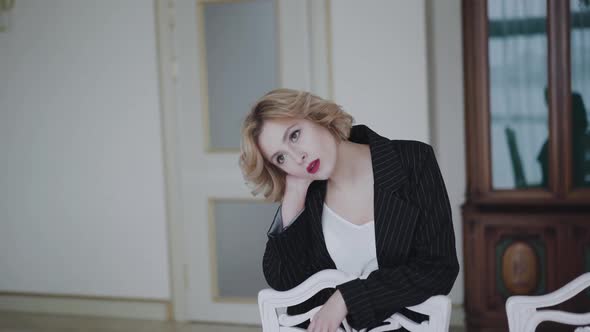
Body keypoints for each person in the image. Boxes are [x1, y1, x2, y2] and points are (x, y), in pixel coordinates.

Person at [239, 89, 459, 332]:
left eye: (295, 135)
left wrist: (348, 298)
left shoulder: (413, 161)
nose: (297, 157)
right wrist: (294, 193)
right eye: (280, 158)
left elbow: (438, 269)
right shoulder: (308, 198)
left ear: (315, 116)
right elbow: (283, 281)